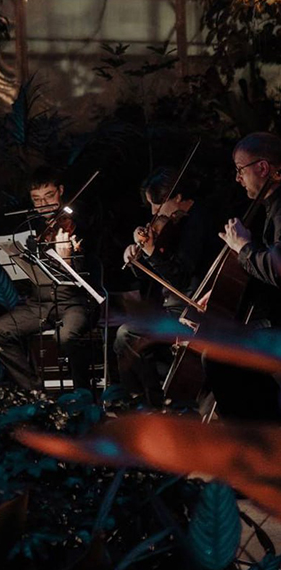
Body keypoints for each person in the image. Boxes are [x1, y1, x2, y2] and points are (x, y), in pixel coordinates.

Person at [0, 167, 100, 391]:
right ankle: (35, 391)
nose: (43, 204)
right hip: (39, 303)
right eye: (36, 199)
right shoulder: (32, 228)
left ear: (60, 191)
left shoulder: (79, 226)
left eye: (49, 196)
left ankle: (83, 391)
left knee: (66, 337)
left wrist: (68, 259)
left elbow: (87, 275)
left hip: (73, 303)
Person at [114, 166, 219, 406]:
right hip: (170, 308)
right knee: (125, 337)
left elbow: (180, 277)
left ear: (178, 197)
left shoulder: (198, 222)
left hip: (191, 312)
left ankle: (152, 403)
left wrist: (152, 252)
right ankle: (143, 401)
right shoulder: (174, 223)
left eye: (158, 205)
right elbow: (153, 274)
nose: (153, 212)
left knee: (127, 334)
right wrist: (137, 256)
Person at [201, 132, 281, 420]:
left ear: (262, 167)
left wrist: (243, 246)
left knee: (219, 357)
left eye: (240, 169)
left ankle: (257, 437)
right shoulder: (271, 208)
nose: (237, 178)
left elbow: (277, 269)